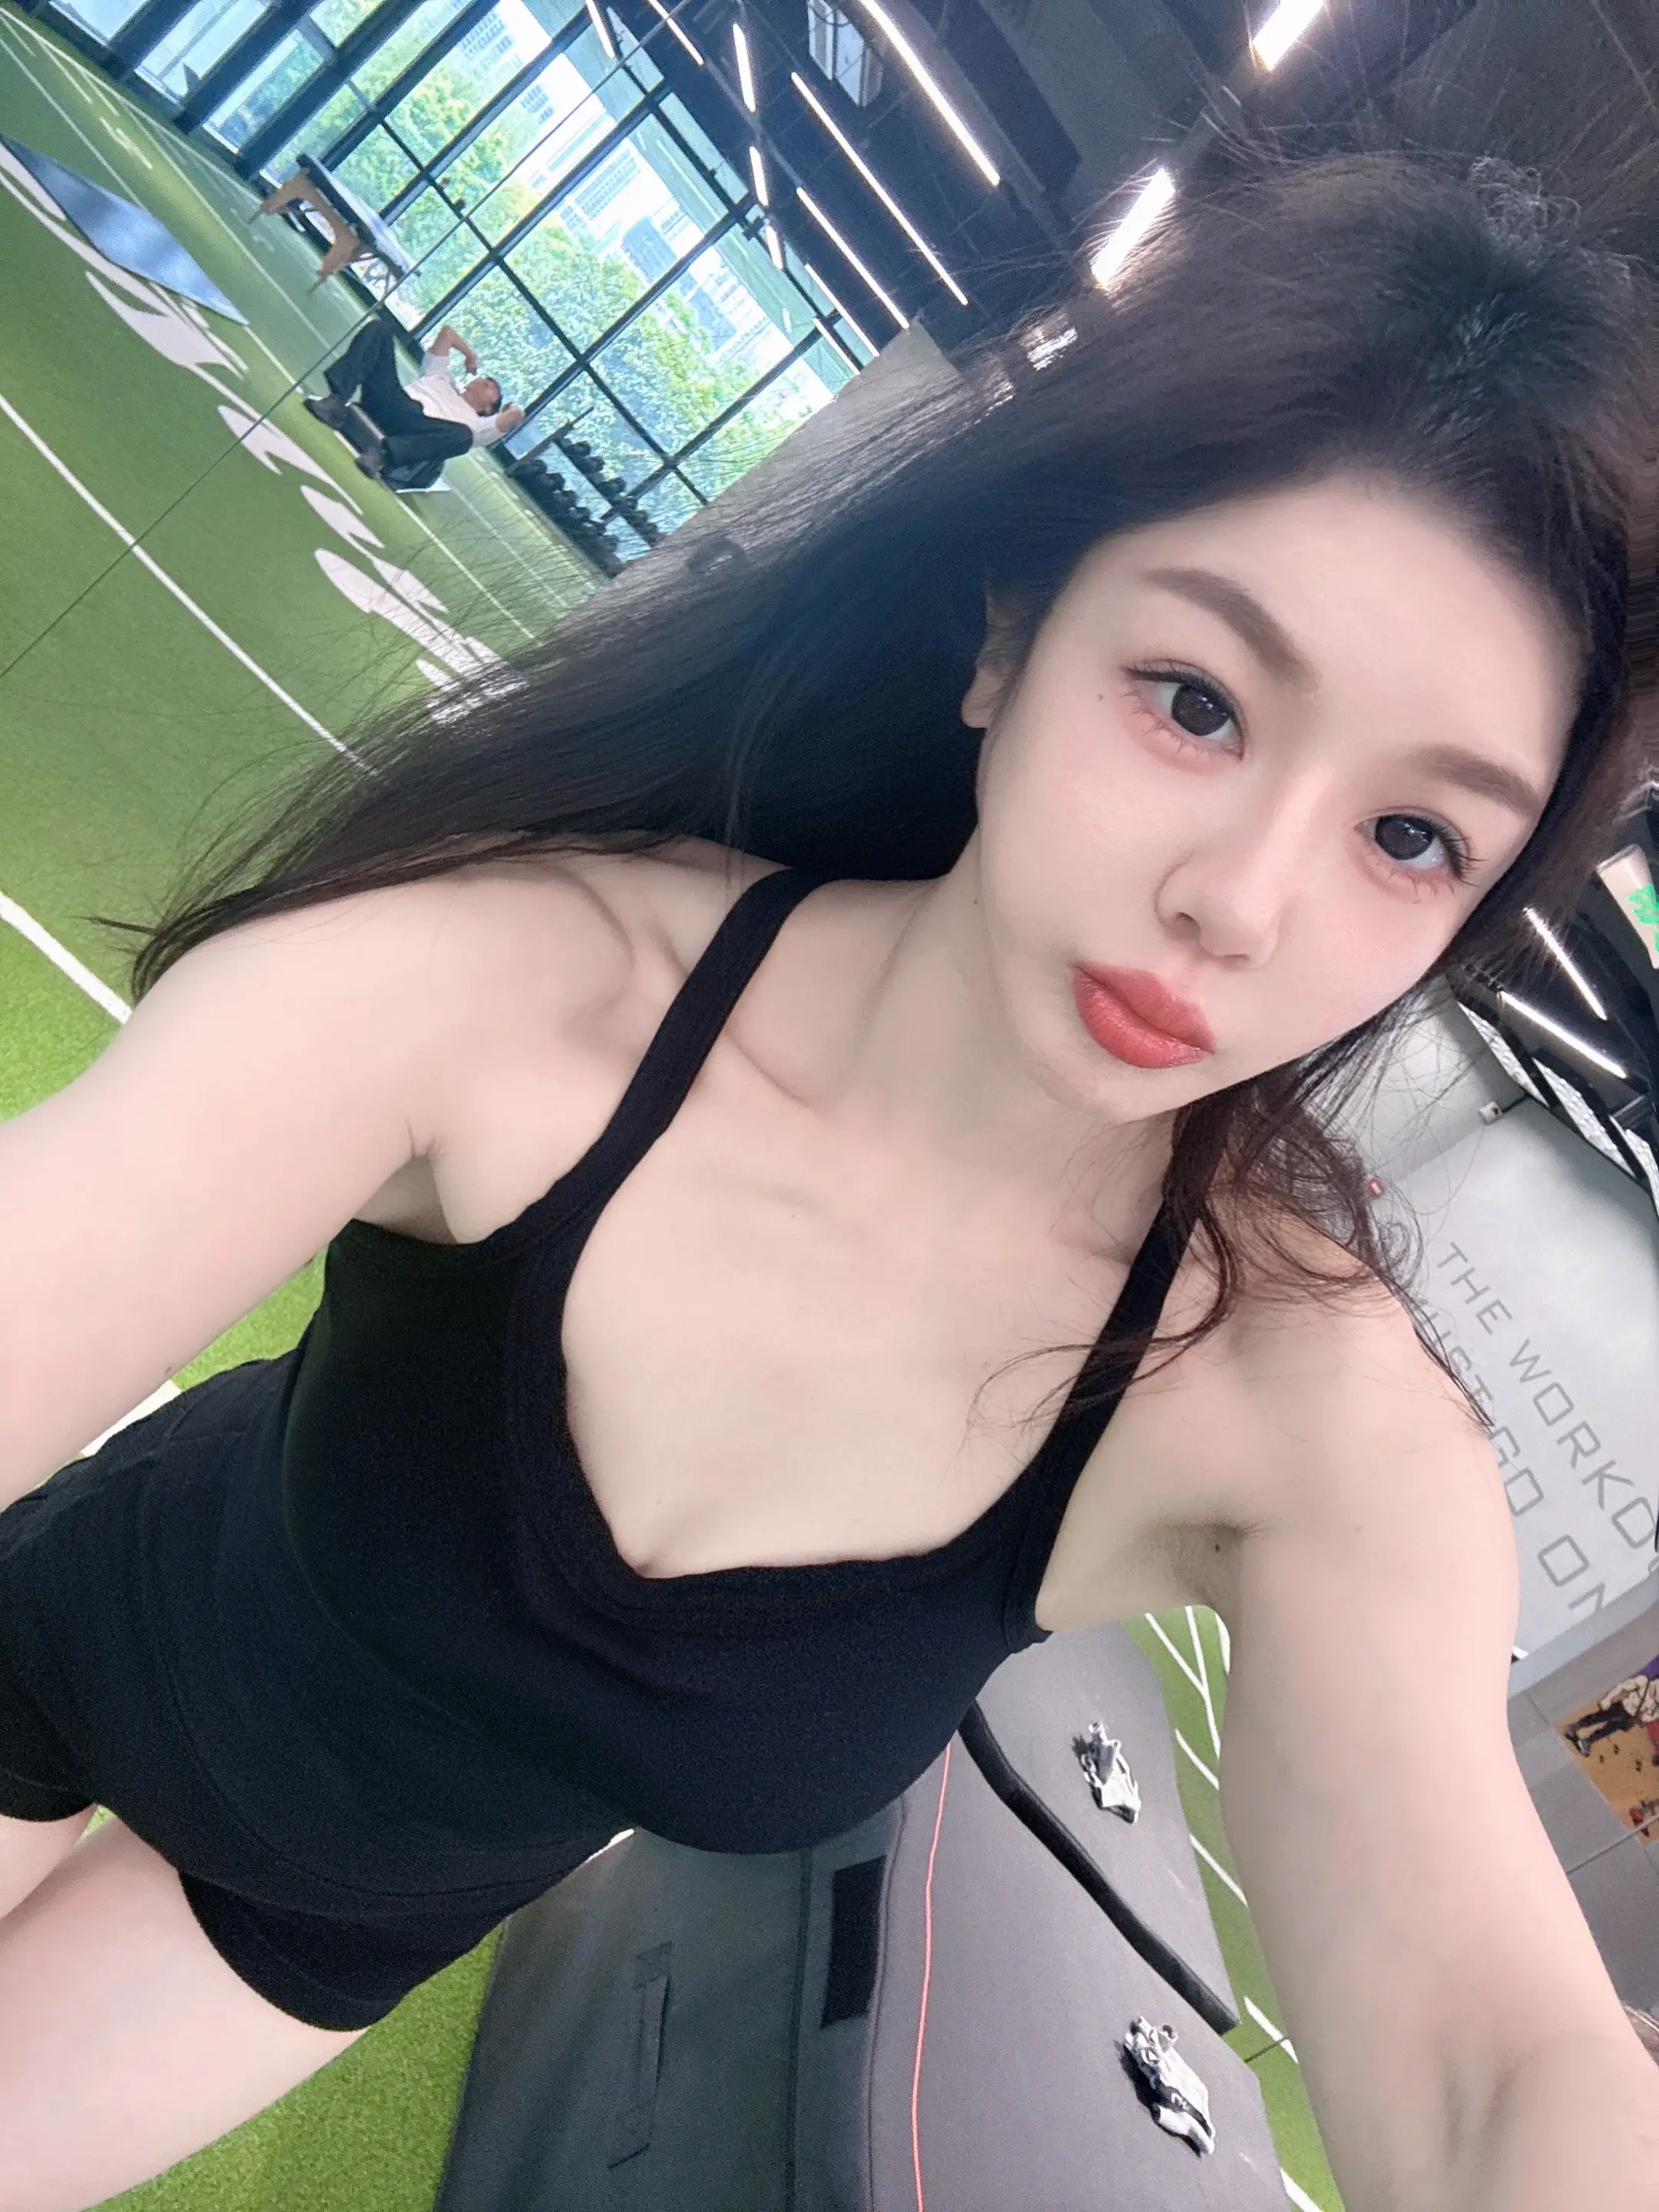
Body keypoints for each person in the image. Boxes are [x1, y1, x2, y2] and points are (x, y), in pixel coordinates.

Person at [2, 147, 1658, 2210]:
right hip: (63, 1652)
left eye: (1410, 840)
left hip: (302, 1931)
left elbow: (1495, 2072)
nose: (1239, 904)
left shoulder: (1282, 1409)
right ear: (1008, 640)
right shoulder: (518, 986)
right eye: (1195, 700)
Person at [304, 315, 526, 480]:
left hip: (416, 430)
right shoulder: (440, 377)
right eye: (486, 379)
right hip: (393, 401)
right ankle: (336, 401)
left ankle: (383, 457)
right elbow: (447, 333)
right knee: (380, 329)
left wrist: (510, 406)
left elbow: (517, 415)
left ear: (489, 409)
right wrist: (470, 355)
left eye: (493, 388)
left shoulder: (478, 425)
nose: (486, 382)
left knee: (463, 437)